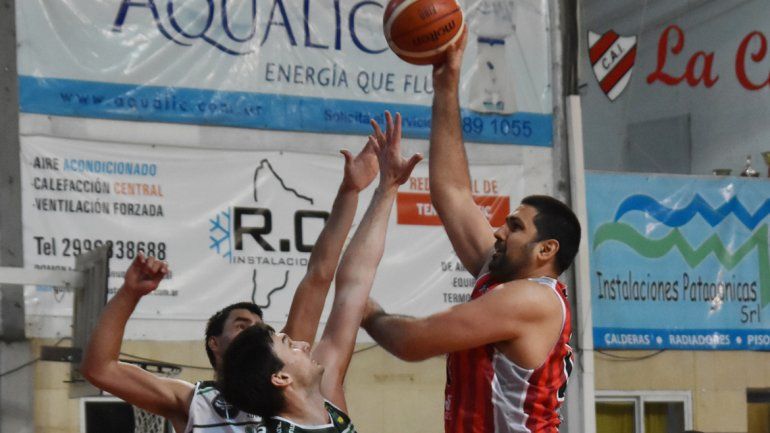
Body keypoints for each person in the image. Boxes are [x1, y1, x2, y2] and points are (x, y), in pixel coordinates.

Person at [360, 33, 582, 433]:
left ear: (546, 249)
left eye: (515, 227)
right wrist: (446, 85)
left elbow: (414, 341)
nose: (498, 231)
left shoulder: (532, 299)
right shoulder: (501, 274)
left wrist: (363, 308)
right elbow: (453, 192)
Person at [80, 141, 380, 433]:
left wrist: (350, 192)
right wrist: (129, 293)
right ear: (214, 343)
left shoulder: (290, 373)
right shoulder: (197, 402)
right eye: (241, 325)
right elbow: (100, 368)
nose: (254, 330)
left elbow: (319, 275)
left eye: (260, 326)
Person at [220, 112, 421, 432]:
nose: (304, 345)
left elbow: (354, 283)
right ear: (281, 377)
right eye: (290, 345)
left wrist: (387, 187)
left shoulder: (329, 406)